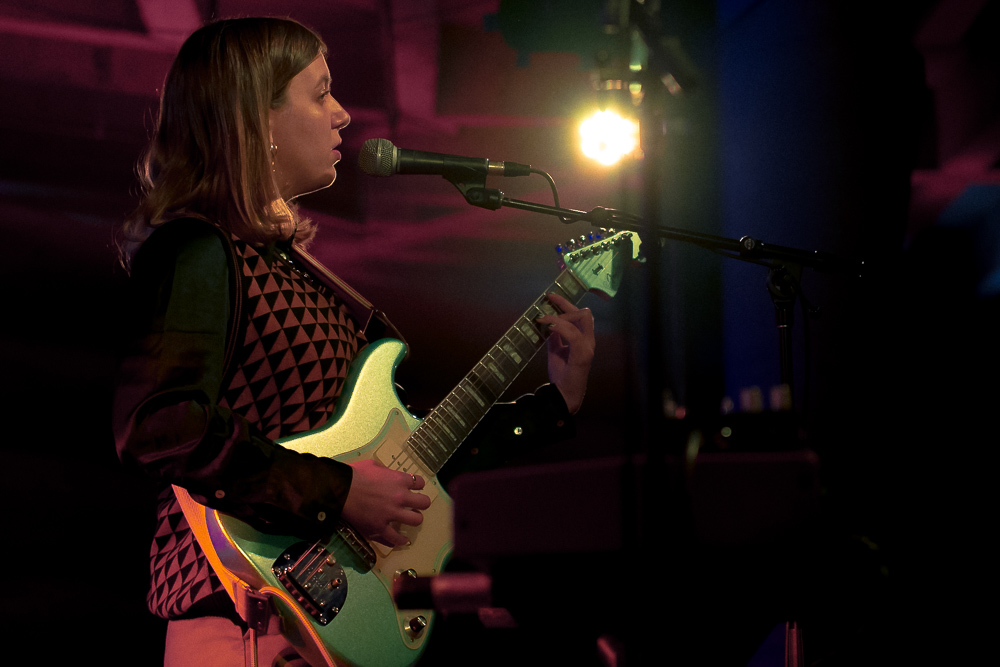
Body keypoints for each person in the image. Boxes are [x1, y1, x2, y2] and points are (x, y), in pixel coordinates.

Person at [111, 17, 595, 666]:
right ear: (257, 118)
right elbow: (160, 423)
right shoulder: (199, 247)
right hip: (247, 620)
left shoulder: (305, 279)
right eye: (320, 94)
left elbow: (409, 467)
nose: (343, 115)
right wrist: (336, 490)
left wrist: (554, 403)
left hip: (333, 625)